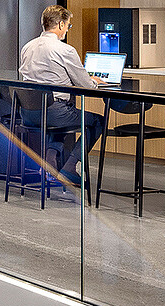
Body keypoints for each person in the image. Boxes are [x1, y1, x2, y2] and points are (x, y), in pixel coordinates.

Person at [18, 5, 106, 185]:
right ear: (60, 24)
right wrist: (94, 81)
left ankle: (50, 162)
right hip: (54, 112)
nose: (67, 29)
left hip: (28, 114)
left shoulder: (27, 47)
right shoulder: (65, 50)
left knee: (63, 118)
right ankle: (70, 168)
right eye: (67, 25)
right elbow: (85, 85)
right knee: (97, 122)